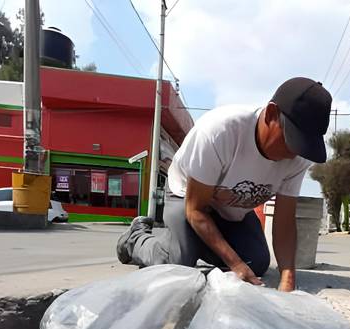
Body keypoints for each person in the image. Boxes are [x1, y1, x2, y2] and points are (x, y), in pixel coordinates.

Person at [116, 77, 332, 292]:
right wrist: (235, 264)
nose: (292, 153)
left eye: (301, 145)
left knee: (256, 263)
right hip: (186, 199)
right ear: (272, 115)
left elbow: (284, 223)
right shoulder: (220, 132)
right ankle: (136, 239)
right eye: (290, 140)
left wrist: (288, 276)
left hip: (232, 212)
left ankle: (193, 242)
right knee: (179, 262)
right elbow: (196, 210)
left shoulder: (298, 157)